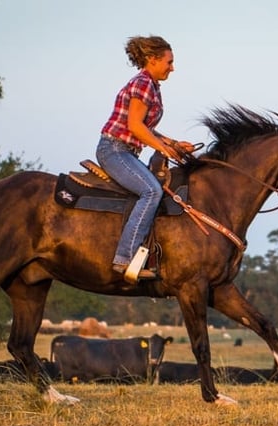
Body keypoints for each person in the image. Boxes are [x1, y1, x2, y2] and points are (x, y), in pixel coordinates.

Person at [97, 35, 195, 281]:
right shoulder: (143, 83)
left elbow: (145, 128)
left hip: (125, 151)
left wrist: (172, 143)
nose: (172, 68)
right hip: (114, 149)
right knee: (152, 191)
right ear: (152, 60)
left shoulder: (151, 85)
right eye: (169, 62)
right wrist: (163, 149)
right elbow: (135, 126)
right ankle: (125, 258)